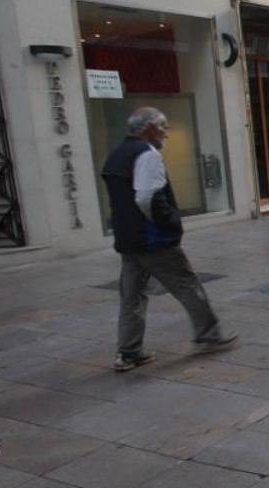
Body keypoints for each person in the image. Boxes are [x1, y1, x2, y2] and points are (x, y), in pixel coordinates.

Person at [102, 107, 238, 372]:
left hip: (128, 239)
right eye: (162, 127)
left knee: (132, 296)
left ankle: (128, 352)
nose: (166, 132)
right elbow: (146, 197)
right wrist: (169, 221)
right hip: (153, 239)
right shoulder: (147, 154)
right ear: (149, 128)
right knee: (188, 285)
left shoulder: (117, 154)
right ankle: (209, 335)